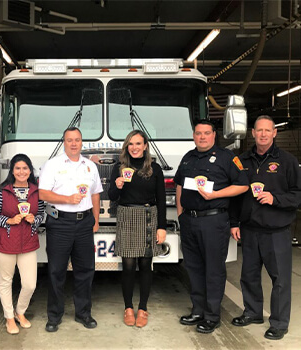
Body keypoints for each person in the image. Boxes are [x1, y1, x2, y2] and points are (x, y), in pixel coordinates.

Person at [230, 115, 301, 340]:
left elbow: (298, 194)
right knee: (249, 276)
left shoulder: (287, 161)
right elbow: (235, 196)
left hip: (276, 231)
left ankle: (279, 322)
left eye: (267, 130)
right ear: (252, 133)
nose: (262, 134)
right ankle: (252, 312)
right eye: (258, 130)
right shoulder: (242, 160)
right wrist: (234, 222)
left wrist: (276, 198)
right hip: (250, 229)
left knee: (280, 279)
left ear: (274, 133)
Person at [175, 120, 248, 334]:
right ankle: (198, 310)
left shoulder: (227, 158)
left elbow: (242, 185)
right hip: (189, 220)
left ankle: (212, 315)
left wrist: (216, 194)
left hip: (213, 221)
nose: (202, 137)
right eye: (198, 133)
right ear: (193, 135)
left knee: (213, 270)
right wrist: (181, 215)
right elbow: (180, 186)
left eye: (207, 133)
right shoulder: (188, 157)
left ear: (214, 135)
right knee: (194, 268)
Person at [39, 127, 103, 332]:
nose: (74, 143)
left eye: (77, 140)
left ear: (82, 142)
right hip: (60, 223)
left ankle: (83, 313)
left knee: (85, 270)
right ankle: (54, 316)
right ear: (64, 142)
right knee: (56, 271)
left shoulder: (90, 166)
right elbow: (43, 194)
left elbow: (95, 194)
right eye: (69, 140)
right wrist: (66, 199)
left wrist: (96, 219)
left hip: (84, 223)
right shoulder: (52, 165)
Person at [108, 130, 166, 328]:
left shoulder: (155, 169)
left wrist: (162, 227)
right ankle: (128, 308)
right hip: (126, 215)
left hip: (149, 216)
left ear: (145, 146)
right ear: (127, 146)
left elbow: (161, 200)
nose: (134, 147)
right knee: (129, 266)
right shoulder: (120, 167)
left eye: (138, 144)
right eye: (131, 144)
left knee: (145, 264)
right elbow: (112, 195)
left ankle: (143, 308)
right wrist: (117, 185)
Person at [0, 154, 45, 334]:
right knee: (6, 281)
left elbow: (42, 214)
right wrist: (9, 221)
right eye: (18, 168)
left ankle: (20, 312)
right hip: (5, 242)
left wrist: (34, 220)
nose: (21, 172)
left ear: (30, 171)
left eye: (25, 168)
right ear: (12, 171)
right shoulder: (3, 191)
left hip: (28, 242)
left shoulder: (37, 191)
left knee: (30, 284)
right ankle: (9, 317)